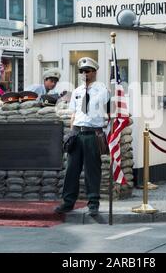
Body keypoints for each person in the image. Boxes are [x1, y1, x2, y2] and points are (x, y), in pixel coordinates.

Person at [55, 57, 110, 217]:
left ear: (94, 72)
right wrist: (71, 133)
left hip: (93, 133)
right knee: (72, 169)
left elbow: (110, 111)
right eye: (82, 71)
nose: (84, 74)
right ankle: (68, 202)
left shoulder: (103, 90)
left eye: (87, 71)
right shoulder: (77, 92)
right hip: (78, 132)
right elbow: (74, 114)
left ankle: (93, 203)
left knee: (92, 171)